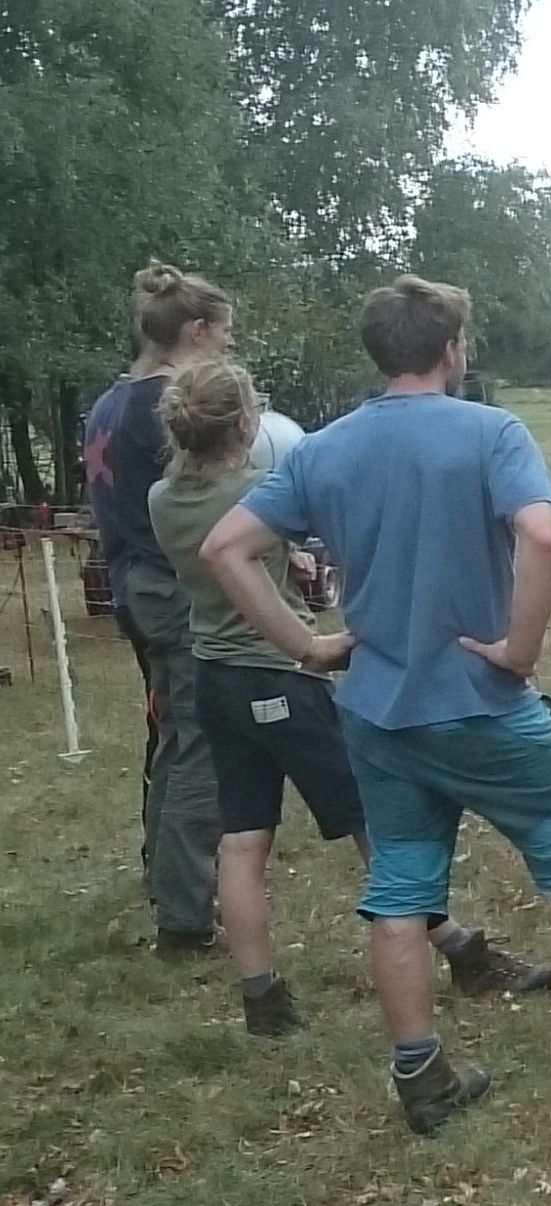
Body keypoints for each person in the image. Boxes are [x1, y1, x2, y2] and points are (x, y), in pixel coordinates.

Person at [203, 276, 551, 1135]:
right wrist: (518, 651)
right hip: (480, 703)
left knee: (400, 881)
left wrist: (307, 646)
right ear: (450, 350)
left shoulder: (321, 451)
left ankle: (422, 1076)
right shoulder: (490, 432)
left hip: (377, 712)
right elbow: (541, 532)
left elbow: (225, 547)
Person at [148, 359, 551, 1036]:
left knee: (242, 838)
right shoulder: (257, 488)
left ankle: (262, 998)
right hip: (278, 676)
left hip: (211, 675)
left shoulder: (162, 498)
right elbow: (252, 546)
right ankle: (461, 949)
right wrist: (310, 645)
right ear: (247, 423)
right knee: (382, 829)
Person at [83, 263, 232, 956]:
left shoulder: (110, 402)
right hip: (174, 592)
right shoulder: (168, 405)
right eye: (223, 335)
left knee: (174, 740)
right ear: (196, 331)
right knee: (200, 747)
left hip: (132, 585)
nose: (226, 349)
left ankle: (168, 880)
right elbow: (203, 502)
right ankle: (185, 916)